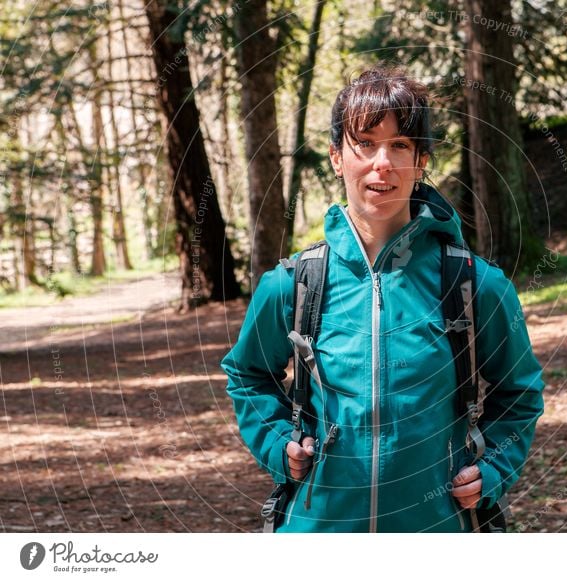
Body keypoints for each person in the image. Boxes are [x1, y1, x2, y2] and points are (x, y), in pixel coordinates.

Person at [221, 65, 545, 533]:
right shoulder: (291, 284)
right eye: (366, 143)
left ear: (422, 160)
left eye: (401, 145)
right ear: (337, 157)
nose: (383, 163)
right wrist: (278, 444)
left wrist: (492, 469)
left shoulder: (476, 285)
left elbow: (519, 393)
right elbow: (247, 374)